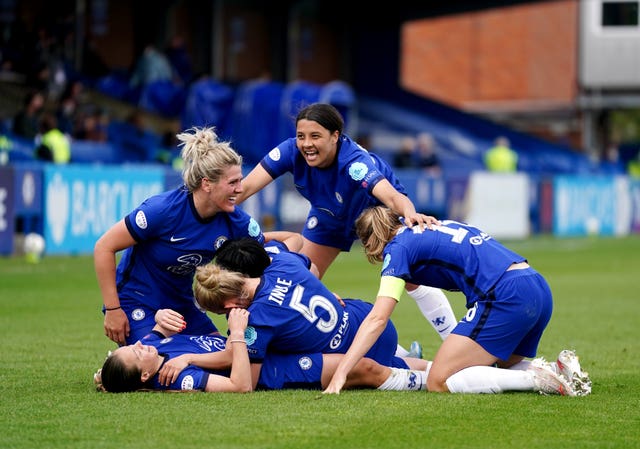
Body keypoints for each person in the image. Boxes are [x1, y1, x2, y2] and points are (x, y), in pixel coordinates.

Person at [236, 103, 457, 341]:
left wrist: (410, 213)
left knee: (411, 277)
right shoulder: (290, 151)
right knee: (296, 285)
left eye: (315, 136)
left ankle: (453, 342)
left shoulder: (354, 162)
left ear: (335, 137)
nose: (306, 144)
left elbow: (392, 196)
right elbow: (246, 187)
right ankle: (400, 356)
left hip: (375, 215)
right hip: (328, 217)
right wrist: (210, 204)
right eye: (301, 136)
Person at [323, 206, 592, 396]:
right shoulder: (428, 227)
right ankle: (558, 369)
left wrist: (342, 372)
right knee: (497, 365)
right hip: (535, 286)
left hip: (504, 295)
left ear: (371, 241)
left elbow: (378, 318)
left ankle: (535, 380)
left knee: (438, 381)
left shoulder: (397, 249)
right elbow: (425, 295)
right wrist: (454, 344)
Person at [156, 237, 425, 386]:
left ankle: (442, 379)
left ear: (229, 306)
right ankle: (432, 365)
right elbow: (300, 249)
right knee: (414, 363)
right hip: (368, 321)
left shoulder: (256, 321)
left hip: (361, 354)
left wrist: (191, 358)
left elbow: (244, 375)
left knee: (413, 376)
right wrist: (317, 290)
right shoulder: (280, 262)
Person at [93, 126, 265, 346]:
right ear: (207, 184)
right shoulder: (162, 211)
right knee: (153, 361)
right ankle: (116, 369)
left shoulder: (235, 220)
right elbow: (103, 247)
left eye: (240, 181)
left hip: (181, 306)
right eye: (233, 183)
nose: (240, 189)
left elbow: (266, 253)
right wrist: (113, 309)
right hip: (137, 302)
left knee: (224, 356)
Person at [96, 308, 427, 393]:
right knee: (360, 367)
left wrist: (158, 318)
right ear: (145, 375)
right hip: (273, 368)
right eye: (136, 352)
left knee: (382, 359)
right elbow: (241, 386)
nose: (140, 343)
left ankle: (437, 369)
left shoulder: (150, 348)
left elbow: (153, 335)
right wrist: (238, 334)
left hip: (264, 345)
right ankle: (430, 382)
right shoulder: (175, 378)